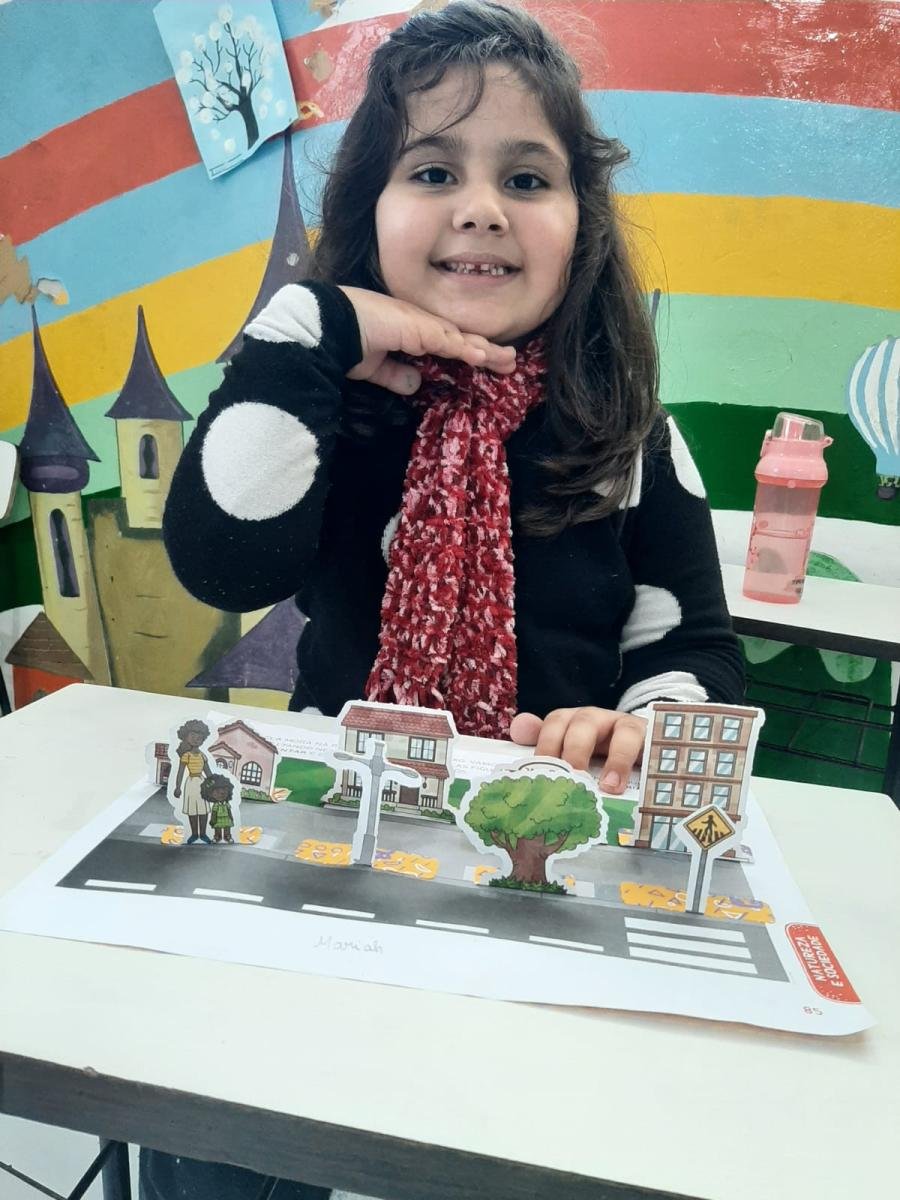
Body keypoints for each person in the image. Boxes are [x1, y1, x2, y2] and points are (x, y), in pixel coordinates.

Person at [151, 3, 743, 1195]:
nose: (480, 207)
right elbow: (226, 563)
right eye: (432, 171)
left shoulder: (628, 438)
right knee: (215, 1132)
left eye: (526, 177)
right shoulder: (334, 409)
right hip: (340, 834)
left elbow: (692, 646)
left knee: (522, 1140)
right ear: (371, 211)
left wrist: (644, 723)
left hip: (547, 855)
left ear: (582, 225)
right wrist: (314, 328)